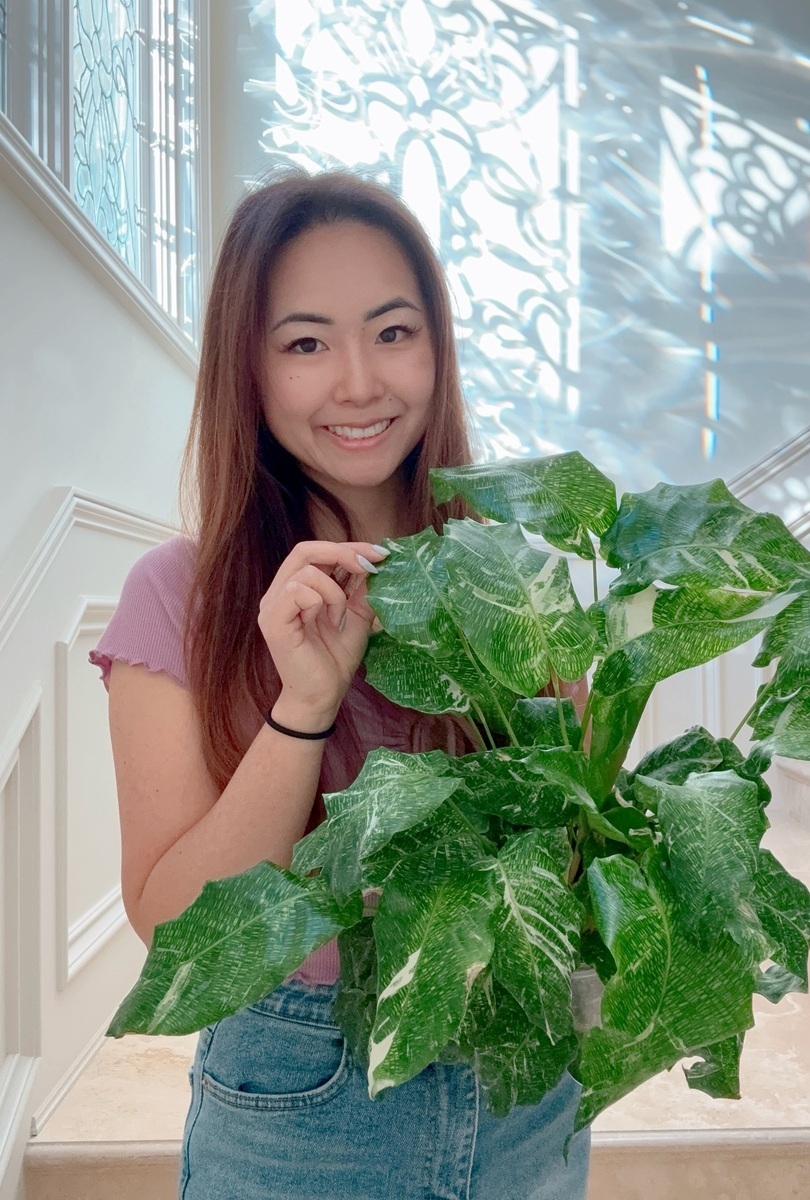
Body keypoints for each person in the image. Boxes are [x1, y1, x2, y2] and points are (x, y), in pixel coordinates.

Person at [90, 168, 591, 1199]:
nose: (359, 383)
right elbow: (176, 930)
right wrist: (305, 704)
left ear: (438, 348)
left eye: (394, 332)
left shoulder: (517, 578)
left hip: (521, 1083)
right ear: (249, 368)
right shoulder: (178, 596)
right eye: (306, 344)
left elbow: (575, 851)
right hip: (301, 1091)